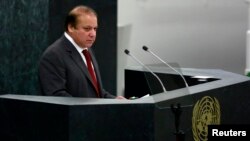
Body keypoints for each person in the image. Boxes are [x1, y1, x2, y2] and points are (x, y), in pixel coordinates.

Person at [39, 5, 124, 99]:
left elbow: (96, 93)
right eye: (87, 29)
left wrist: (115, 101)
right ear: (71, 27)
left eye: (95, 29)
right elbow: (57, 97)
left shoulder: (87, 50)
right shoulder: (54, 55)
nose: (93, 34)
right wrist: (88, 111)